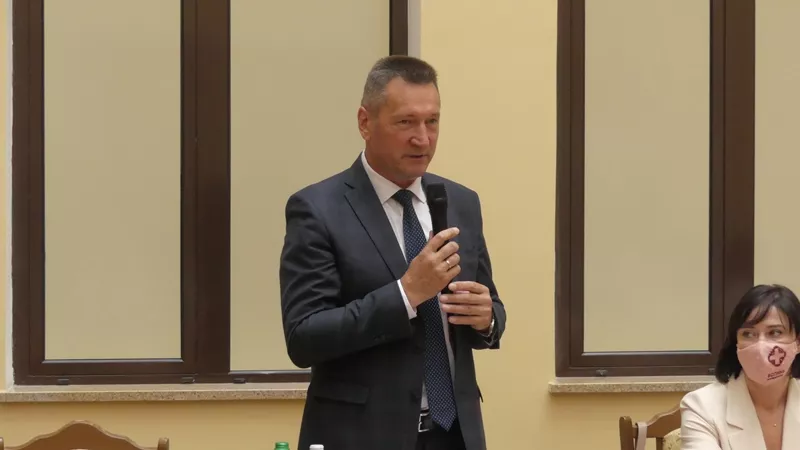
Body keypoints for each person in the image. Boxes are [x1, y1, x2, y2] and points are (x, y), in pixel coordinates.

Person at [279, 55, 506, 450]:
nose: (423, 138)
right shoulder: (317, 209)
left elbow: (491, 308)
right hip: (362, 436)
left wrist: (486, 318)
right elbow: (304, 337)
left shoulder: (461, 202)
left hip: (456, 435)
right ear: (365, 122)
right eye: (406, 122)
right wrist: (405, 294)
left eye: (432, 121)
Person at [680, 284, 800, 450]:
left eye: (775, 332)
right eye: (748, 334)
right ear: (736, 343)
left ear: (798, 342)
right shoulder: (701, 406)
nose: (761, 346)